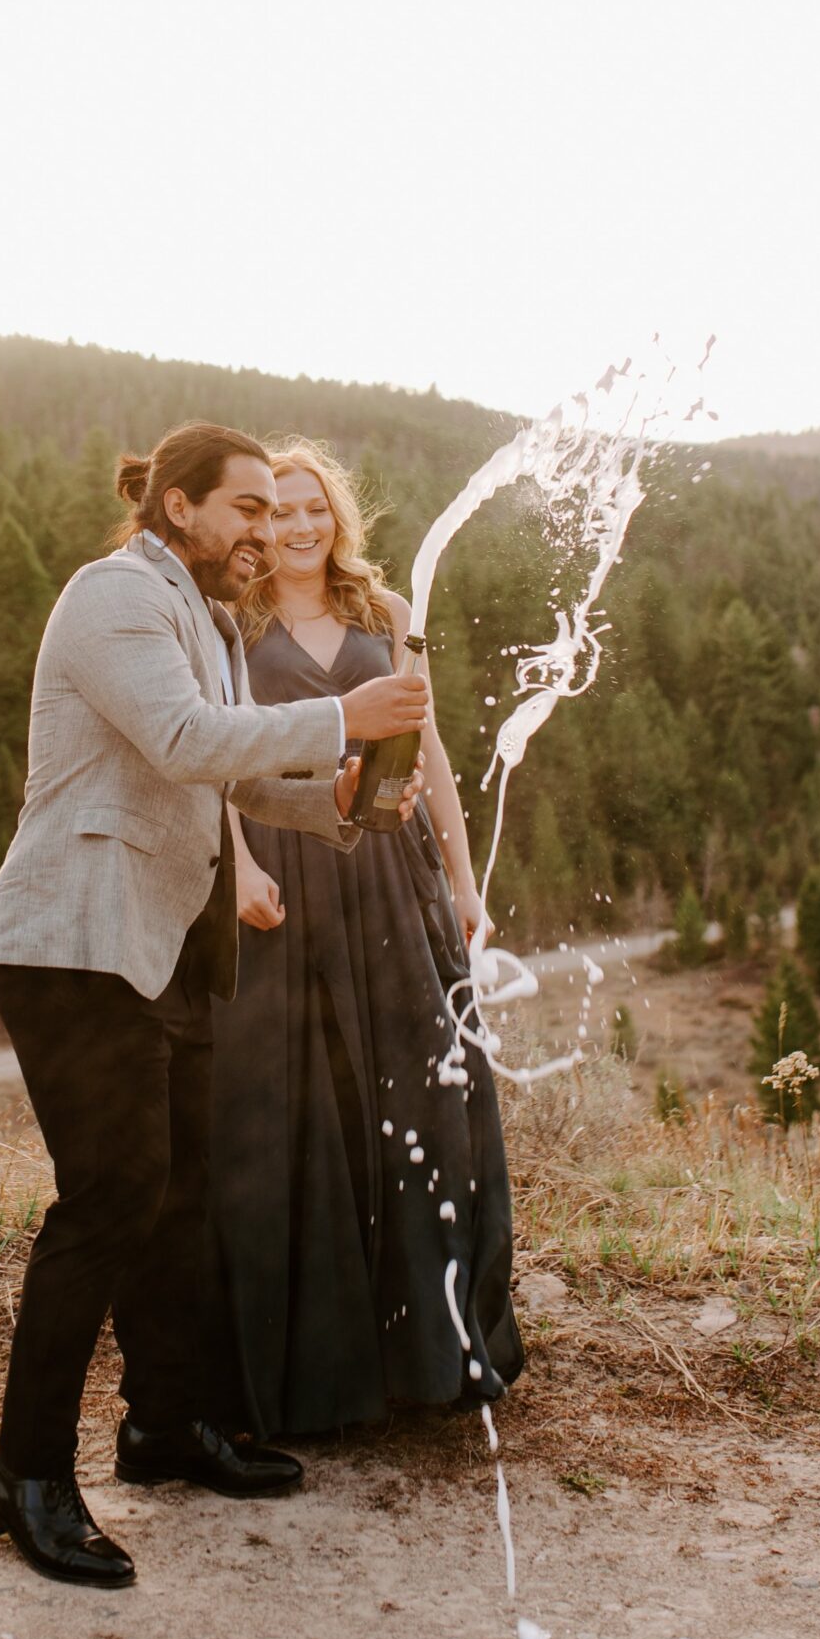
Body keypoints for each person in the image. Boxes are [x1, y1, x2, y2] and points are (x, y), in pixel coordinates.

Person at [0, 421, 430, 1589]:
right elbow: (182, 742)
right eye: (242, 510)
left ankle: (162, 1428)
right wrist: (347, 716)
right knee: (107, 1202)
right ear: (177, 508)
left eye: (274, 515)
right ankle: (23, 1476)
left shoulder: (205, 620)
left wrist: (335, 796)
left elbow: (228, 767)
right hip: (75, 943)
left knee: (174, 1202)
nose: (262, 533)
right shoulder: (111, 598)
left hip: (163, 942)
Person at [210, 436, 523, 1438]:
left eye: (313, 508)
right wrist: (238, 865)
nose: (297, 526)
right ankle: (311, 1373)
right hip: (278, 867)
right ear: (255, 522)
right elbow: (203, 752)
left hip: (388, 874)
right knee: (291, 1109)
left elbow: (425, 751)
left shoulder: (381, 616)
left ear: (334, 517)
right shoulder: (227, 618)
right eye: (278, 510)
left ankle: (423, 1357)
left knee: (420, 1096)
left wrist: (464, 880)